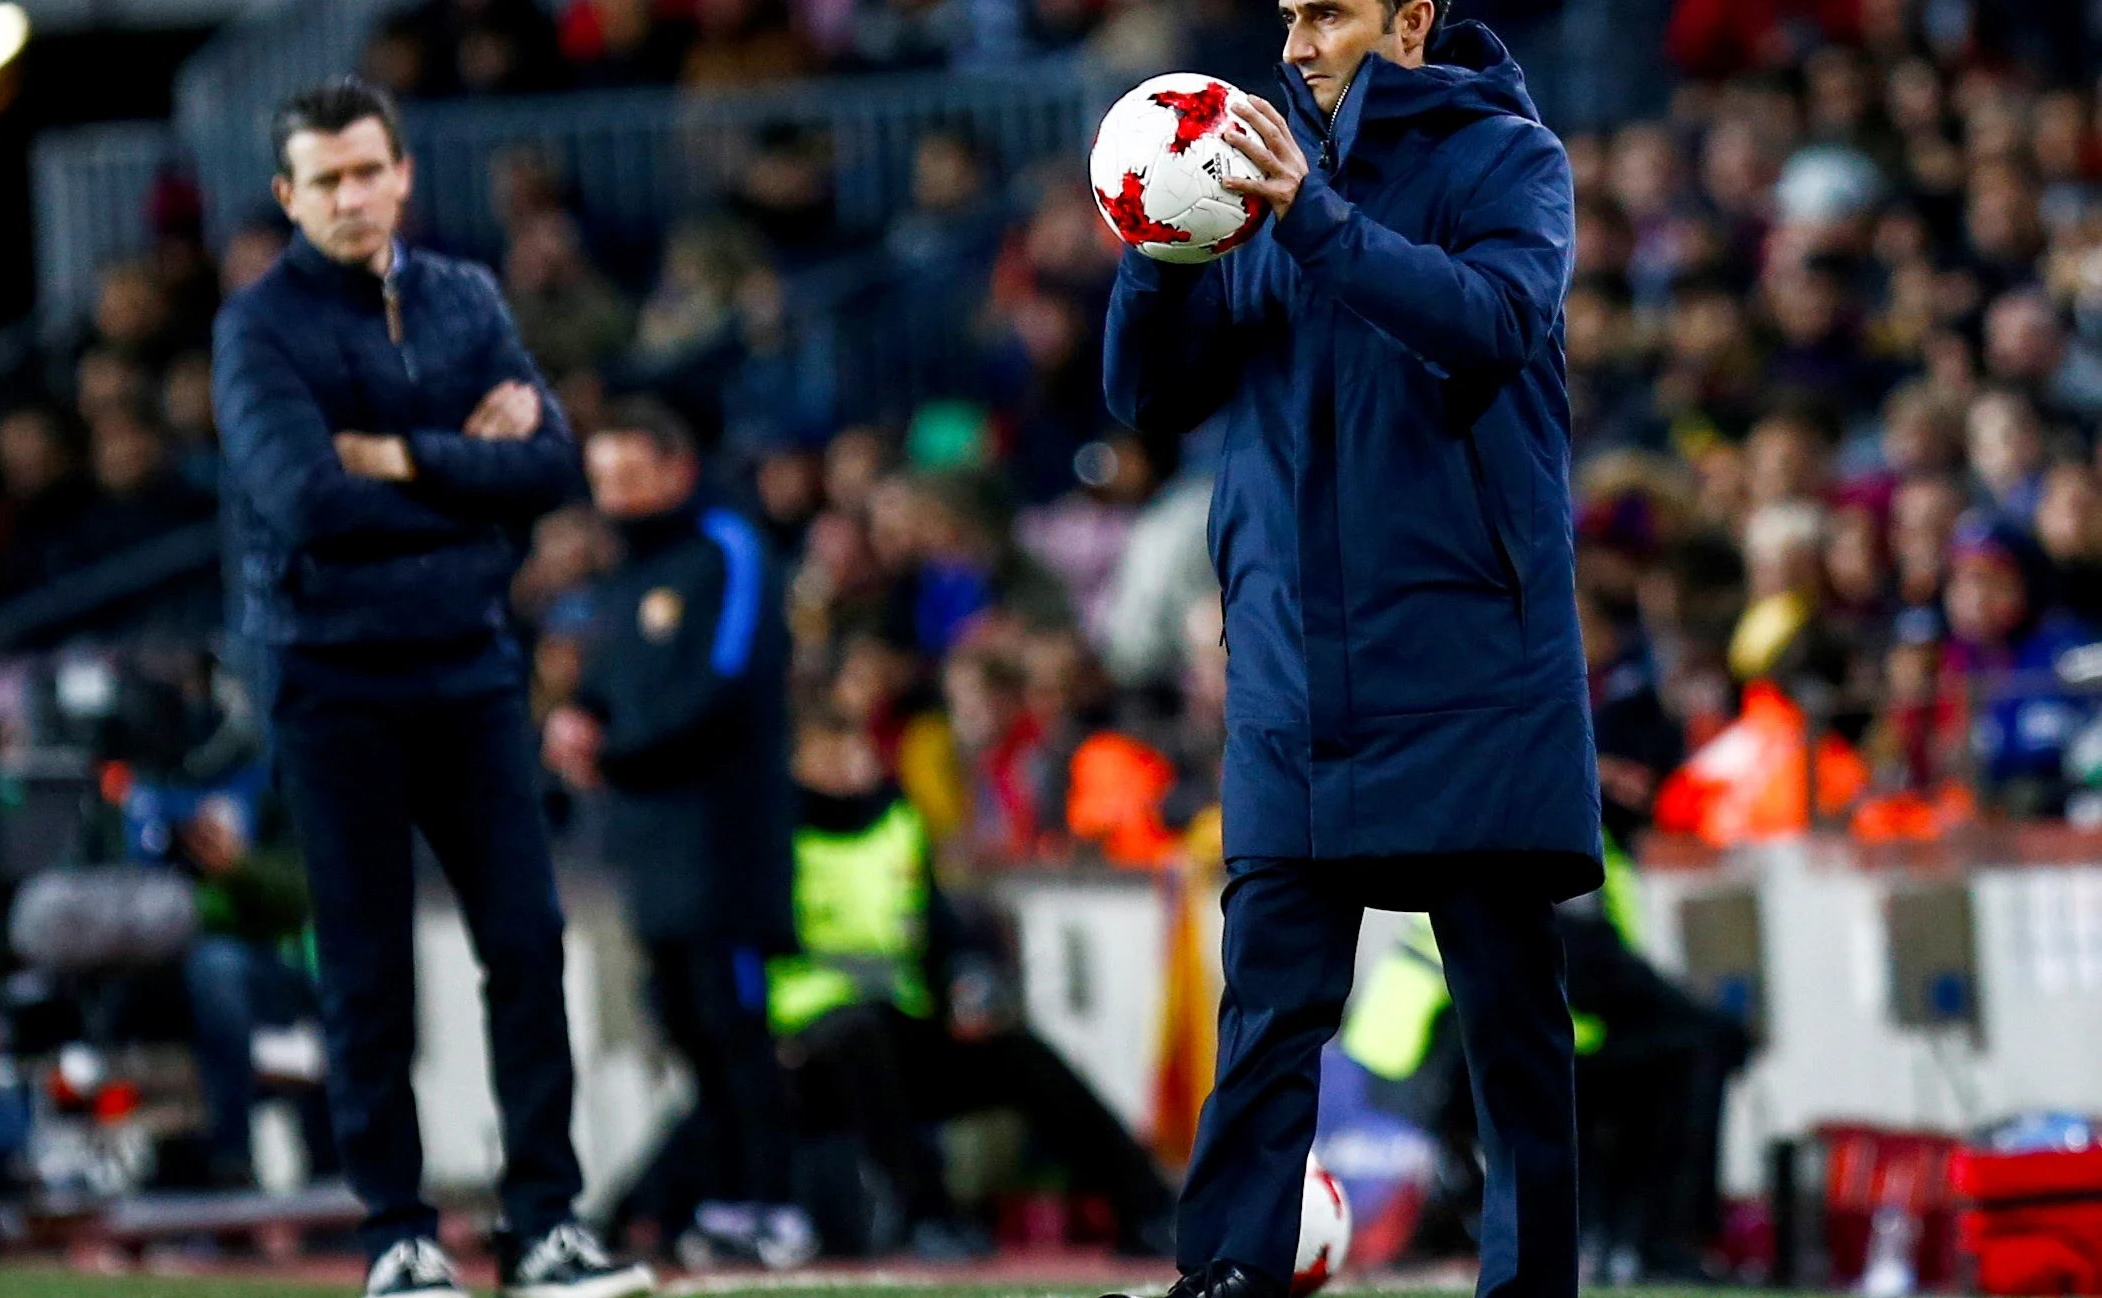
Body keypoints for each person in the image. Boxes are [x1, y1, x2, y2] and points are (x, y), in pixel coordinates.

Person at [1101, 2, 1597, 1297]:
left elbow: (1495, 321)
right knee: (1266, 1010)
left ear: (1412, 20)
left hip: (1468, 654)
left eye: (1330, 11)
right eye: (1289, 15)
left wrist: (1314, 219)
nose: (1300, 39)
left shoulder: (1508, 159)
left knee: (1510, 1026)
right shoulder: (1246, 185)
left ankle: (1530, 1286)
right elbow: (1146, 402)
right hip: (1291, 663)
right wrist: (1156, 245)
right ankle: (1226, 1274)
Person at [213, 76, 652, 1298]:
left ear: (403, 174)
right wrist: (474, 463)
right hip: (333, 677)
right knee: (366, 964)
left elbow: (553, 465)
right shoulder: (257, 328)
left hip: (469, 666)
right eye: (327, 178)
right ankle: (396, 1232)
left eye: (369, 170)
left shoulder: (464, 296)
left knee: (527, 940)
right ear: (287, 194)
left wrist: (400, 453)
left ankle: (544, 1222)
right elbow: (307, 500)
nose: (353, 195)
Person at [543, 398, 813, 1270]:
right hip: (649, 839)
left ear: (676, 468)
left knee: (736, 1026)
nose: (616, 496)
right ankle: (727, 1200)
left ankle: (777, 1204)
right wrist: (577, 719)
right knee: (688, 1028)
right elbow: (609, 682)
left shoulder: (727, 554)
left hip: (722, 836)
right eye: (604, 480)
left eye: (630, 475)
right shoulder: (621, 580)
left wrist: (612, 752)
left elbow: (725, 682)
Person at [773, 709, 1176, 1256]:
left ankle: (1148, 1207)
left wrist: (969, 981)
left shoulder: (897, 823)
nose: (850, 766)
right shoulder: (773, 835)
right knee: (862, 1038)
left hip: (904, 1027)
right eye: (831, 753)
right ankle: (926, 1218)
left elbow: (942, 930)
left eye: (856, 751)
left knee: (1021, 1056)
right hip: (809, 1043)